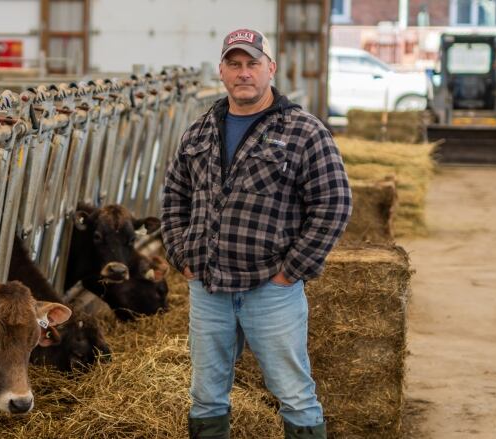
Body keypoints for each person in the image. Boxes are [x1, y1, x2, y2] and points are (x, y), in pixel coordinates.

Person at [161, 28, 352, 439]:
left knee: (294, 393)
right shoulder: (199, 132)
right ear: (222, 71)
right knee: (206, 395)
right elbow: (174, 196)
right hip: (208, 289)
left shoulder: (304, 131)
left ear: (271, 69)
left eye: (252, 64)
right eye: (234, 64)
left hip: (271, 289)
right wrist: (181, 255)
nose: (243, 73)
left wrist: (292, 270)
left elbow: (334, 203)